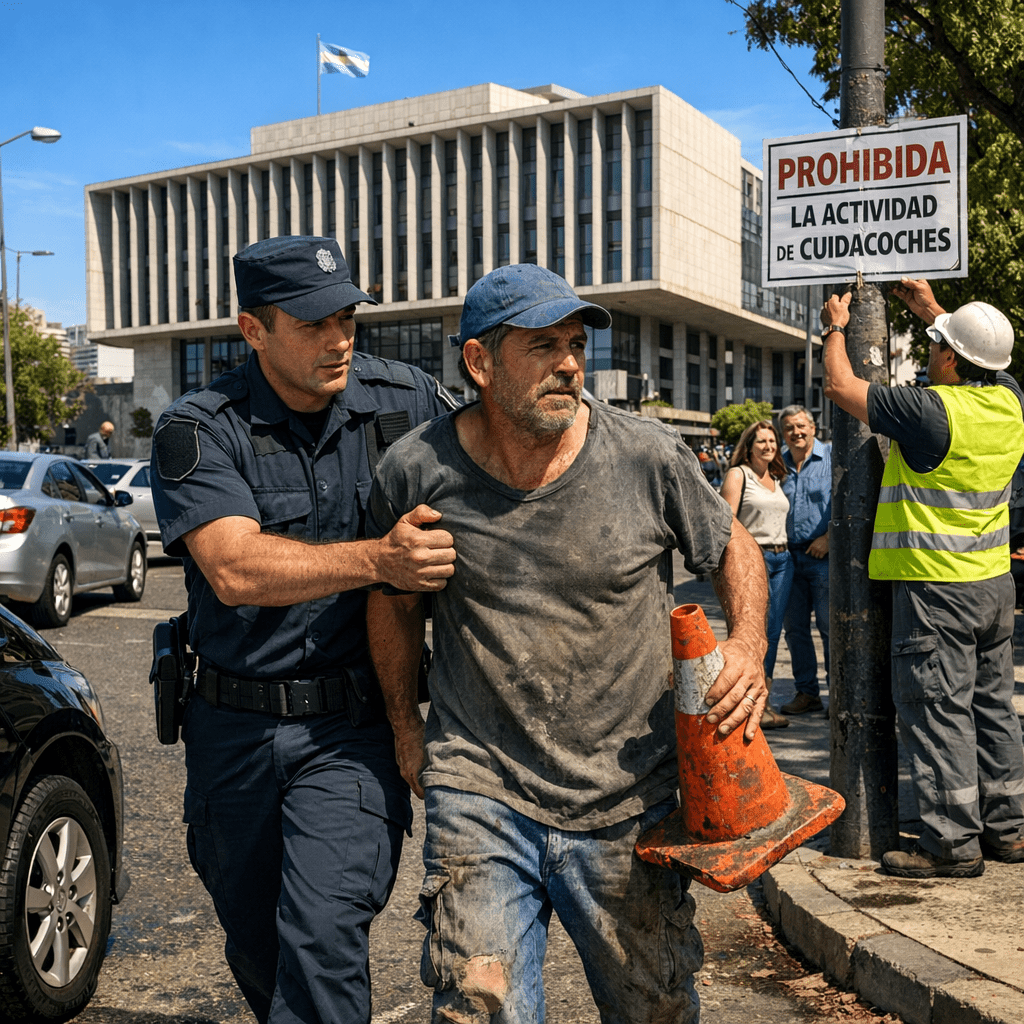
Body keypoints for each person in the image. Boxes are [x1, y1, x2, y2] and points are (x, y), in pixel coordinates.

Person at [365, 263, 769, 1024]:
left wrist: (747, 643)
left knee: (656, 1011)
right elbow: (391, 605)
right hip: (479, 787)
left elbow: (732, 547)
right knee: (483, 1009)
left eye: (576, 343)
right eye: (543, 345)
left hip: (628, 800)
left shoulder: (646, 456)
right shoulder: (417, 470)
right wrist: (404, 727)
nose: (570, 364)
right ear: (479, 363)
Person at [149, 235, 460, 1024]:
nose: (341, 338)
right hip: (232, 734)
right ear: (254, 331)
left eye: (349, 316)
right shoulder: (200, 427)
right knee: (258, 948)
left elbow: (498, 463)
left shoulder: (408, 400)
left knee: (322, 939)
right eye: (316, 322)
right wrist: (380, 559)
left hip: (350, 731)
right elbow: (236, 568)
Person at [822, 276, 1024, 878]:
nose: (931, 352)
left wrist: (835, 325)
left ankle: (950, 843)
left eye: (939, 346)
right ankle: (1009, 830)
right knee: (992, 708)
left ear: (953, 361)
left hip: (937, 589)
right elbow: (988, 360)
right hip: (992, 587)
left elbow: (841, 385)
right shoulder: (1011, 401)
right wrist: (935, 310)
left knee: (938, 709)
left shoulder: (933, 412)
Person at [720, 419, 792, 728]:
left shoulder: (777, 477)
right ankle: (746, 703)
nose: (768, 446)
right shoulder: (739, 475)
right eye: (761, 441)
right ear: (748, 446)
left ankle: (763, 700)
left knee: (772, 634)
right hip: (756, 559)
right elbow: (726, 525)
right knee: (751, 633)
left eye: (772, 441)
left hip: (783, 558)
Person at [777, 405, 831, 716]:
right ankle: (807, 693)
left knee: (828, 628)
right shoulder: (777, 464)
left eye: (801, 426)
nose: (796, 433)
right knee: (795, 630)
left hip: (821, 557)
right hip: (788, 559)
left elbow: (849, 501)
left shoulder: (831, 459)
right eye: (789, 429)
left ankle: (838, 693)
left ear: (812, 427)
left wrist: (830, 539)